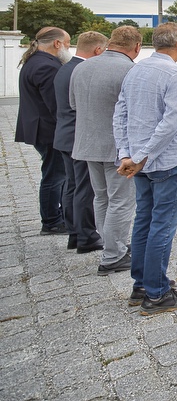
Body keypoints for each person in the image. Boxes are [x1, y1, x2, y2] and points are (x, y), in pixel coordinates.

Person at [113, 22, 177, 316]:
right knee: (162, 225)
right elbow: (171, 123)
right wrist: (144, 156)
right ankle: (157, 294)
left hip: (138, 162)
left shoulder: (135, 70)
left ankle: (142, 285)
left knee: (144, 220)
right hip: (167, 161)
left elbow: (120, 113)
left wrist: (127, 154)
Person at [70, 26, 143, 275]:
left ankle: (112, 246)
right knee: (121, 201)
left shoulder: (81, 67)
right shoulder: (130, 70)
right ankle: (113, 255)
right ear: (136, 47)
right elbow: (136, 111)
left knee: (101, 198)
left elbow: (72, 104)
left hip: (87, 144)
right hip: (117, 147)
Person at [15, 26, 73, 234]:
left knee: (55, 173)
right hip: (49, 130)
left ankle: (55, 217)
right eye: (67, 44)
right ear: (57, 43)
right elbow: (55, 104)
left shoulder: (35, 60)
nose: (68, 48)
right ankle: (51, 221)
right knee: (55, 175)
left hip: (41, 127)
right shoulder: (47, 66)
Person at [53, 31, 107, 252]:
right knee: (85, 188)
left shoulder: (65, 69)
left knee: (72, 186)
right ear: (98, 50)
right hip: (79, 136)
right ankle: (87, 236)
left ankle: (75, 233)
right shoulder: (81, 70)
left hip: (65, 135)